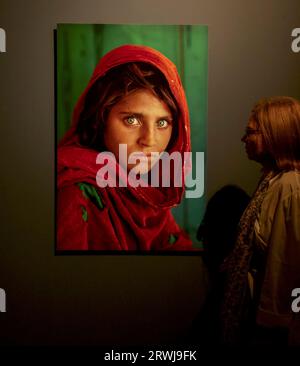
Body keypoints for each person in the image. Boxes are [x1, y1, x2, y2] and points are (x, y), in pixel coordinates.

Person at [57, 44, 194, 251]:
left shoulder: (147, 192)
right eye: (132, 120)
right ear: (100, 118)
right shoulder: (73, 193)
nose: (149, 140)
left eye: (162, 123)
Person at [221, 96, 300, 345]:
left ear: (274, 133)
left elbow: (285, 263)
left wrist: (272, 323)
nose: (244, 139)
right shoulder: (271, 182)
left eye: (250, 132)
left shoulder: (289, 186)